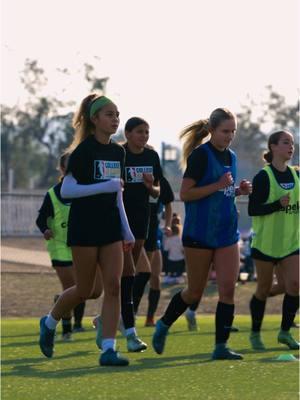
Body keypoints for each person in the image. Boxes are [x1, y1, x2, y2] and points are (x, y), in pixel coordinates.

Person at [39, 94, 135, 367]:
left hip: (110, 229)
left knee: (113, 287)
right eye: (109, 114)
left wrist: (126, 231)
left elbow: (118, 195)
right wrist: (104, 186)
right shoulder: (82, 152)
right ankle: (49, 322)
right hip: (84, 229)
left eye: (117, 114)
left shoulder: (118, 152)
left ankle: (108, 349)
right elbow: (67, 190)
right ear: (94, 119)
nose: (115, 119)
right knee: (84, 290)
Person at [152, 108, 252, 360]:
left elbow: (223, 193)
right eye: (225, 131)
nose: (230, 136)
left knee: (228, 289)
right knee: (194, 291)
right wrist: (218, 185)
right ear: (211, 131)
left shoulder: (231, 156)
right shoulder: (200, 156)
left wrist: (238, 191)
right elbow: (185, 194)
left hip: (226, 232)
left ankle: (220, 346)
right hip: (199, 233)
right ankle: (164, 324)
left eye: (233, 131)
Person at [94, 117, 163, 352]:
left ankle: (105, 321)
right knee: (128, 275)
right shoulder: (118, 154)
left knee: (128, 276)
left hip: (142, 221)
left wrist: (149, 186)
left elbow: (158, 192)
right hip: (120, 222)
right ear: (129, 133)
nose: (144, 136)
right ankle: (130, 333)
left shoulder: (152, 157)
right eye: (139, 132)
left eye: (147, 131)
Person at [248, 130, 299, 350]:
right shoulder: (263, 176)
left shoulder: (296, 175)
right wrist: (277, 204)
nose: (291, 147)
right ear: (273, 147)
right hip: (266, 245)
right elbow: (252, 209)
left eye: (293, 143)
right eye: (286, 142)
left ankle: (285, 332)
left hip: (290, 243)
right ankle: (255, 333)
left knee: (295, 285)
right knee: (263, 289)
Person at [36, 154, 86, 340]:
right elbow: (41, 219)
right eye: (70, 166)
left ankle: (74, 319)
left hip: (80, 244)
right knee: (70, 285)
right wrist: (46, 229)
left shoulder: (84, 191)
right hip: (59, 246)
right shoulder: (53, 194)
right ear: (62, 169)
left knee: (83, 288)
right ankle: (66, 330)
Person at [133, 175, 174, 326]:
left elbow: (168, 202)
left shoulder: (160, 180)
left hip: (153, 234)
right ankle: (130, 313)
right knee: (142, 274)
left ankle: (150, 318)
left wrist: (168, 225)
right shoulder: (134, 178)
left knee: (155, 278)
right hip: (136, 235)